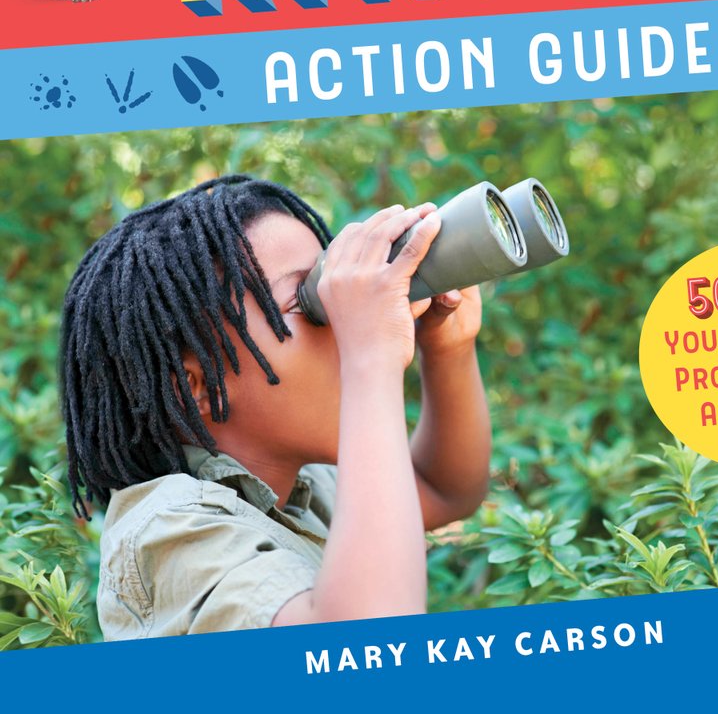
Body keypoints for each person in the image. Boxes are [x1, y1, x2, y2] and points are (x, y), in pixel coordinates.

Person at [60, 174, 490, 638]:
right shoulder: (168, 529)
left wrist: (449, 349)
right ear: (194, 387)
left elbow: (443, 488)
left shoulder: (300, 486)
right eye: (310, 302)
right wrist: (372, 358)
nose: (343, 322)